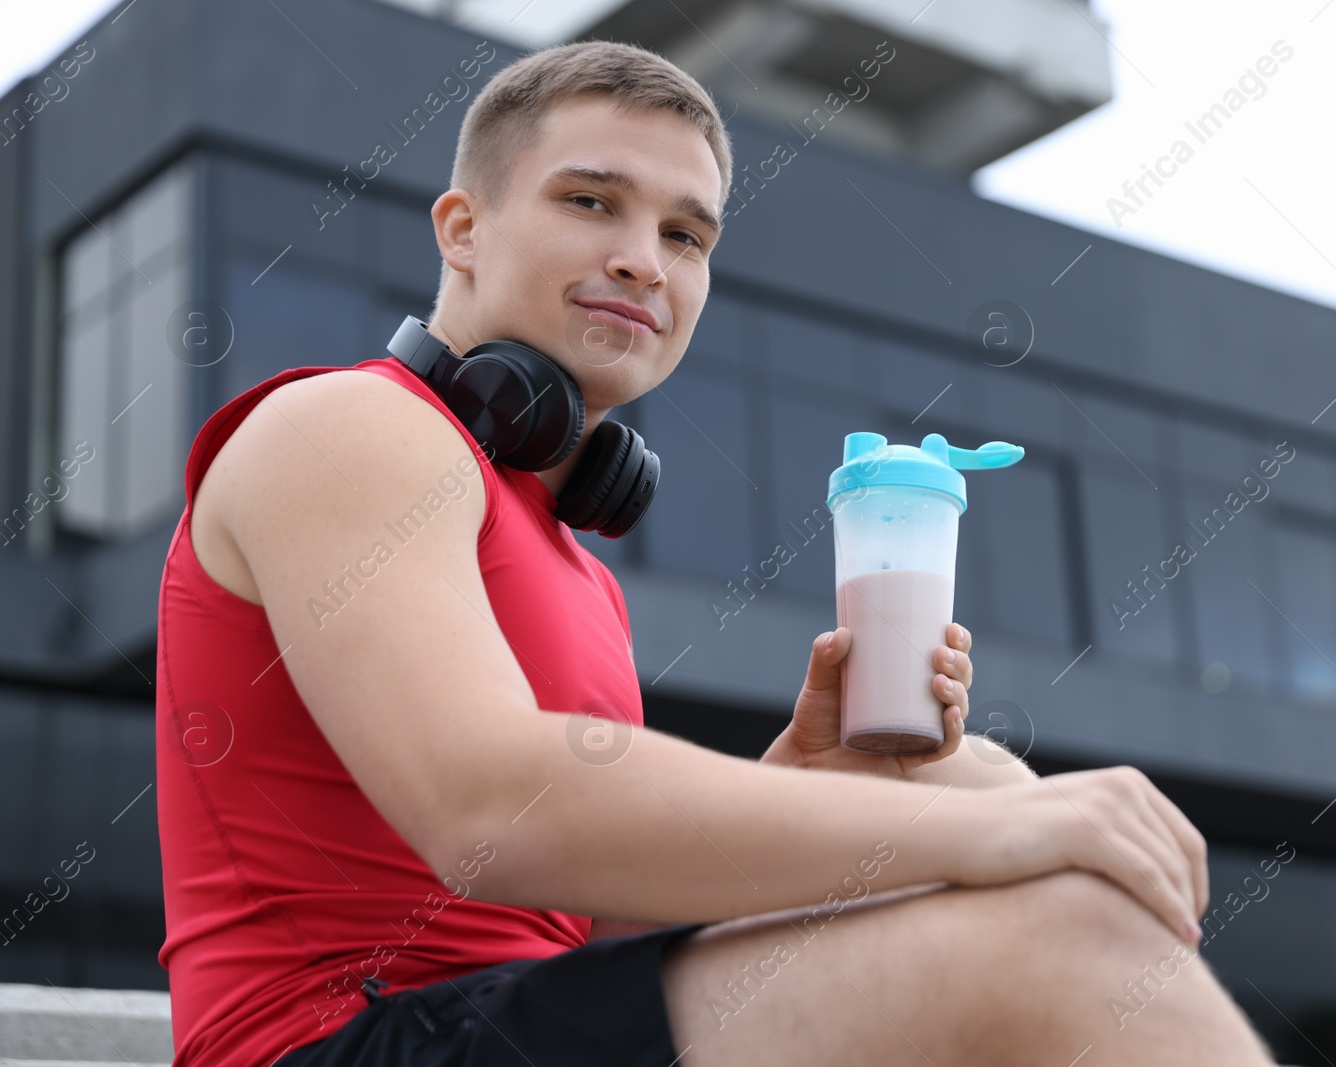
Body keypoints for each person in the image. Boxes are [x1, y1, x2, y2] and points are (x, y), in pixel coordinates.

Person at [154, 38, 1277, 1067]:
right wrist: (996, 832)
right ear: (463, 227)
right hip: (334, 1044)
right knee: (1050, 915)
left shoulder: (579, 569)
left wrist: (804, 780)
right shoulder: (348, 429)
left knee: (972, 766)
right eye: (592, 201)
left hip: (509, 1023)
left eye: (684, 234)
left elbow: (582, 926)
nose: (643, 260)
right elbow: (488, 809)